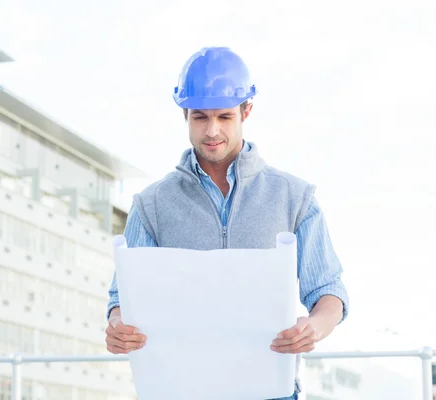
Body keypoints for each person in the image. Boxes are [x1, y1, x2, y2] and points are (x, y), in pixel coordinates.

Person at [105, 47, 349, 400]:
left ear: (246, 111)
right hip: (179, 391)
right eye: (200, 117)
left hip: (272, 392)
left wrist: (314, 327)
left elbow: (329, 291)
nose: (212, 131)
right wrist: (116, 324)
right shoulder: (151, 206)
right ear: (185, 115)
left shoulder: (295, 198)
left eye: (224, 117)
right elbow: (122, 300)